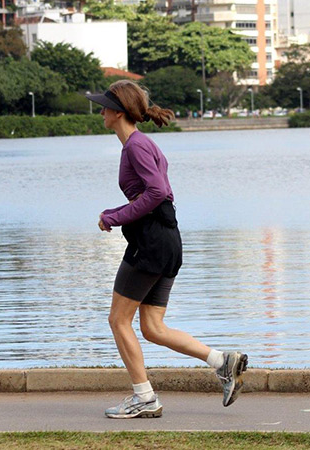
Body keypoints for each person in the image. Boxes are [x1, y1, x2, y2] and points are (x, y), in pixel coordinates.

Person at [86, 80, 248, 419]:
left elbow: (157, 192)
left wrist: (113, 216)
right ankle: (222, 361)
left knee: (118, 320)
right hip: (166, 241)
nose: (100, 111)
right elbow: (158, 194)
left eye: (104, 106)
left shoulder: (135, 146)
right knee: (152, 327)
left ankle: (143, 397)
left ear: (118, 112)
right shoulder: (140, 144)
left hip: (152, 243)